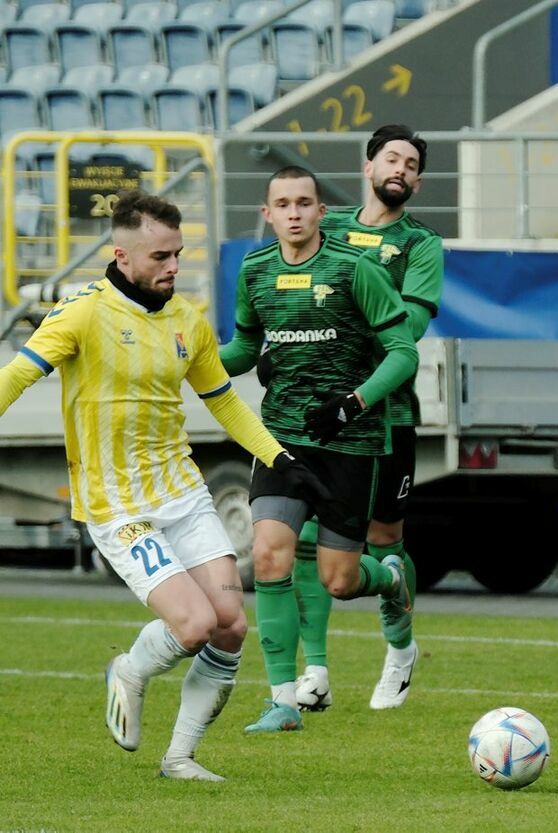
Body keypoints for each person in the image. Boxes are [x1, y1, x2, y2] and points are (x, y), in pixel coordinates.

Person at [0, 190, 325, 781]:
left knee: (229, 624)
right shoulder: (81, 313)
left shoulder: (186, 321)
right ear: (122, 256)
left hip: (183, 492)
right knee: (193, 623)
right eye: (160, 258)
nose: (173, 267)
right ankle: (130, 669)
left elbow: (224, 402)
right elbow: (17, 376)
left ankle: (180, 758)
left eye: (178, 254)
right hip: (116, 502)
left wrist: (279, 458)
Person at [218, 166, 419, 732]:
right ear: (268, 214)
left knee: (339, 580)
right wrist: (189, 360)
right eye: (282, 204)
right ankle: (283, 700)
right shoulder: (254, 270)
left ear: (321, 211)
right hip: (280, 438)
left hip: (350, 443)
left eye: (304, 202)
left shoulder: (357, 269)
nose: (294, 212)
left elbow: (404, 354)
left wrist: (353, 403)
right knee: (269, 556)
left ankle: (390, 579)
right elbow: (243, 349)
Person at [280, 125, 443, 712]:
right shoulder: (330, 228)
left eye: (411, 163)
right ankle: (315, 670)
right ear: (368, 165)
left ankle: (400, 649)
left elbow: (411, 330)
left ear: (418, 182)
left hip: (386, 414)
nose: (400, 168)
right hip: (315, 417)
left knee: (384, 543)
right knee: (302, 538)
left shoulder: (422, 246)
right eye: (391, 157)